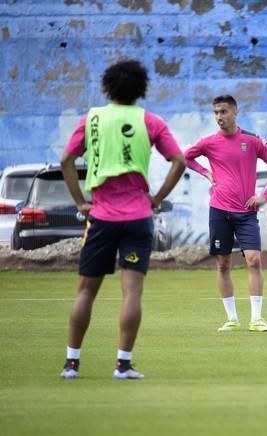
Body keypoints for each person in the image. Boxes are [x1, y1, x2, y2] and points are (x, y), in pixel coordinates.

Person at [59, 59, 186, 380]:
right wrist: (157, 198)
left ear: (108, 86)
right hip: (138, 218)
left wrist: (79, 201)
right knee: (132, 293)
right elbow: (179, 161)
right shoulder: (151, 121)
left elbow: (66, 160)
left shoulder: (92, 119)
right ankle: (123, 365)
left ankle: (71, 364)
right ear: (141, 89)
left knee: (86, 291)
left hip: (100, 217)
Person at [184, 95, 267, 332]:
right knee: (223, 264)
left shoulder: (252, 140)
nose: (219, 117)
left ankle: (257, 319)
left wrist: (264, 196)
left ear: (235, 113)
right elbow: (185, 158)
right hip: (219, 210)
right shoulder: (208, 142)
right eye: (216, 112)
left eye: (224, 112)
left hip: (247, 212)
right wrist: (205, 172)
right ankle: (231, 319)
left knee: (254, 260)